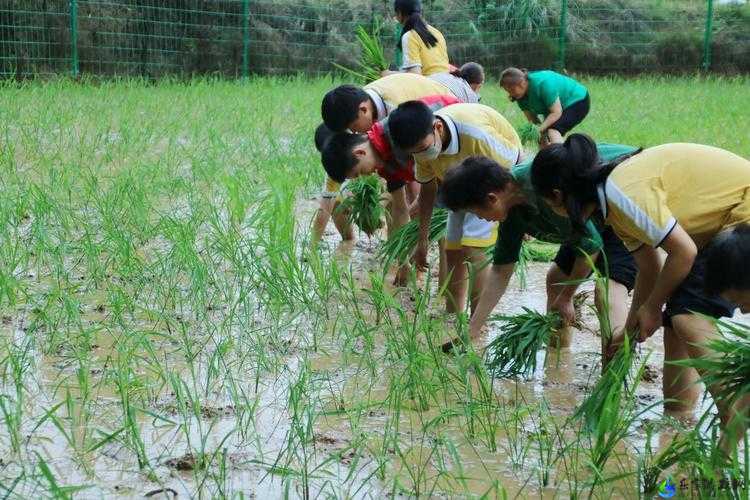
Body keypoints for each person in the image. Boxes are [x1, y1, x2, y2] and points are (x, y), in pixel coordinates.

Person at [530, 134, 750, 449]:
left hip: (740, 218)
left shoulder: (621, 192)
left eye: (549, 204)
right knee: (677, 319)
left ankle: (735, 405)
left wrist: (651, 308)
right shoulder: (612, 207)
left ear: (556, 196)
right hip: (719, 225)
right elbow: (649, 269)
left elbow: (683, 253)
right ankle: (678, 422)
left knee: (689, 315)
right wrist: (629, 332)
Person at [437, 146, 638, 357]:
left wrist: (567, 296)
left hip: (619, 208)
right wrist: (474, 328)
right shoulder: (512, 213)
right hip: (585, 226)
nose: (480, 219)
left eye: (475, 212)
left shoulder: (545, 184)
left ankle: (613, 382)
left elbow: (592, 245)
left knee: (606, 293)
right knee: (556, 280)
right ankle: (558, 359)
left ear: (491, 198)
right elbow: (500, 272)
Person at [388, 101, 522, 314]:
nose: (421, 156)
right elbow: (428, 190)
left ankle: (478, 321)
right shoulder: (422, 148)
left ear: (438, 128)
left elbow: (516, 165)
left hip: (492, 183)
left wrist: (517, 217)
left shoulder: (477, 135)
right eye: (415, 153)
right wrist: (423, 240)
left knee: (474, 249)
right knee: (453, 251)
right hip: (458, 185)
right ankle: (453, 316)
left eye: (423, 149)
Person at [313, 94, 460, 252]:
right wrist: (400, 259)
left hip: (460, 131)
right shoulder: (385, 167)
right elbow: (400, 209)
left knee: (450, 233)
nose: (366, 176)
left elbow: (430, 180)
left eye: (360, 172)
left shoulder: (398, 133)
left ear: (360, 153)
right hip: (445, 160)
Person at [321, 73, 459, 133]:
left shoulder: (398, 110)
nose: (354, 132)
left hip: (453, 112)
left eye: (353, 127)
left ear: (363, 110)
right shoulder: (364, 96)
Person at [500, 67, 589, 146]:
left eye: (512, 89)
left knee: (553, 131)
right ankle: (546, 161)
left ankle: (562, 161)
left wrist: (540, 129)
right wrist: (534, 133)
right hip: (555, 109)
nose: (511, 94)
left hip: (577, 100)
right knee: (541, 136)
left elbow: (556, 112)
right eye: (508, 91)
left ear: (522, 83)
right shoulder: (520, 96)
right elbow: (533, 121)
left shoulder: (542, 83)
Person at [311, 123, 353, 246]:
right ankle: (349, 241)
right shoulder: (335, 170)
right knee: (336, 202)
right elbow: (324, 208)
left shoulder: (369, 145)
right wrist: (313, 245)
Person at [387, 0, 449, 77]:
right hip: (448, 82)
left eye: (395, 13)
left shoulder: (409, 36)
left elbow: (415, 75)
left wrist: (388, 74)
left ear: (399, 13)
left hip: (430, 84)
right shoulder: (437, 33)